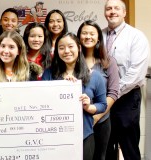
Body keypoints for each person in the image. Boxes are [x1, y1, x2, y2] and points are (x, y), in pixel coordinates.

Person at [42, 32, 107, 160]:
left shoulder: (94, 76)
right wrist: (62, 87)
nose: (66, 51)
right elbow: (43, 102)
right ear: (57, 51)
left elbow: (102, 105)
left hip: (84, 136)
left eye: (71, 46)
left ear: (79, 48)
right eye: (61, 47)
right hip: (54, 136)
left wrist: (89, 107)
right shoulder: (49, 74)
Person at [102, 0, 150, 159]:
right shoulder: (99, 35)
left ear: (124, 13)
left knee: (129, 147)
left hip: (127, 98)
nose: (112, 12)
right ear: (105, 13)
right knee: (106, 145)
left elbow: (136, 73)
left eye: (117, 8)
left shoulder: (136, 36)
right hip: (102, 98)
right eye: (109, 9)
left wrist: (113, 93)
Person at [77, 20, 120, 160]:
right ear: (78, 37)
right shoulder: (74, 60)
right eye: (84, 33)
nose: (88, 37)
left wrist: (96, 116)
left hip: (101, 120)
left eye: (92, 33)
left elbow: (113, 93)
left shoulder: (108, 61)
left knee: (100, 156)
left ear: (98, 38)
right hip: (78, 121)